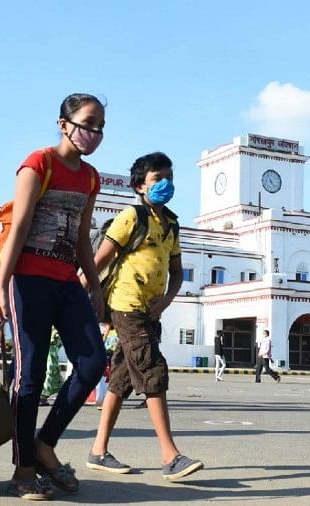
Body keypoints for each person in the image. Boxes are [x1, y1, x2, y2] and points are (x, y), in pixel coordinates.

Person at [0, 93, 108, 501]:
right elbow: (19, 228)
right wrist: (2, 290)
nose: (94, 134)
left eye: (100, 128)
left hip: (67, 283)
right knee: (29, 379)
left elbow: (81, 238)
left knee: (93, 363)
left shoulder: (90, 178)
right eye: (88, 124)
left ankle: (44, 444)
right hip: (28, 281)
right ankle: (22, 471)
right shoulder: (38, 163)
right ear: (64, 124)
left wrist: (93, 285)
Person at [84, 152, 203, 481]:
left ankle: (98, 450)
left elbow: (176, 273)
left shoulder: (172, 224)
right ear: (140, 186)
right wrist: (78, 292)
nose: (166, 185)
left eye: (169, 178)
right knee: (152, 371)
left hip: (150, 311)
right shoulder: (131, 217)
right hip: (127, 306)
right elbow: (99, 260)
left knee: (121, 380)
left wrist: (165, 301)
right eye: (157, 180)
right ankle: (170, 456)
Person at [40, 329, 64, 407]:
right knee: (52, 366)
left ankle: (43, 394)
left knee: (51, 366)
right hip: (52, 338)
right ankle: (63, 391)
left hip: (53, 338)